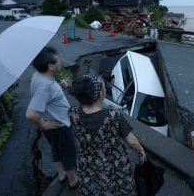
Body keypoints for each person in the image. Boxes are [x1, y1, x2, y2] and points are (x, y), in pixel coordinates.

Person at [70, 74, 146, 196]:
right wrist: (140, 150)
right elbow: (131, 140)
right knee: (119, 187)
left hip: (87, 161)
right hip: (114, 162)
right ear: (100, 94)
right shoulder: (113, 115)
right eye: (104, 88)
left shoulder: (73, 113)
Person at [26, 46, 78, 189]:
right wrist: (42, 124)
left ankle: (61, 175)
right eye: (58, 61)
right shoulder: (45, 86)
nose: (60, 62)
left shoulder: (39, 75)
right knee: (68, 152)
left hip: (53, 127)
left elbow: (46, 93)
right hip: (59, 127)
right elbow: (30, 114)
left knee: (56, 150)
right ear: (50, 66)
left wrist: (58, 85)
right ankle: (73, 181)